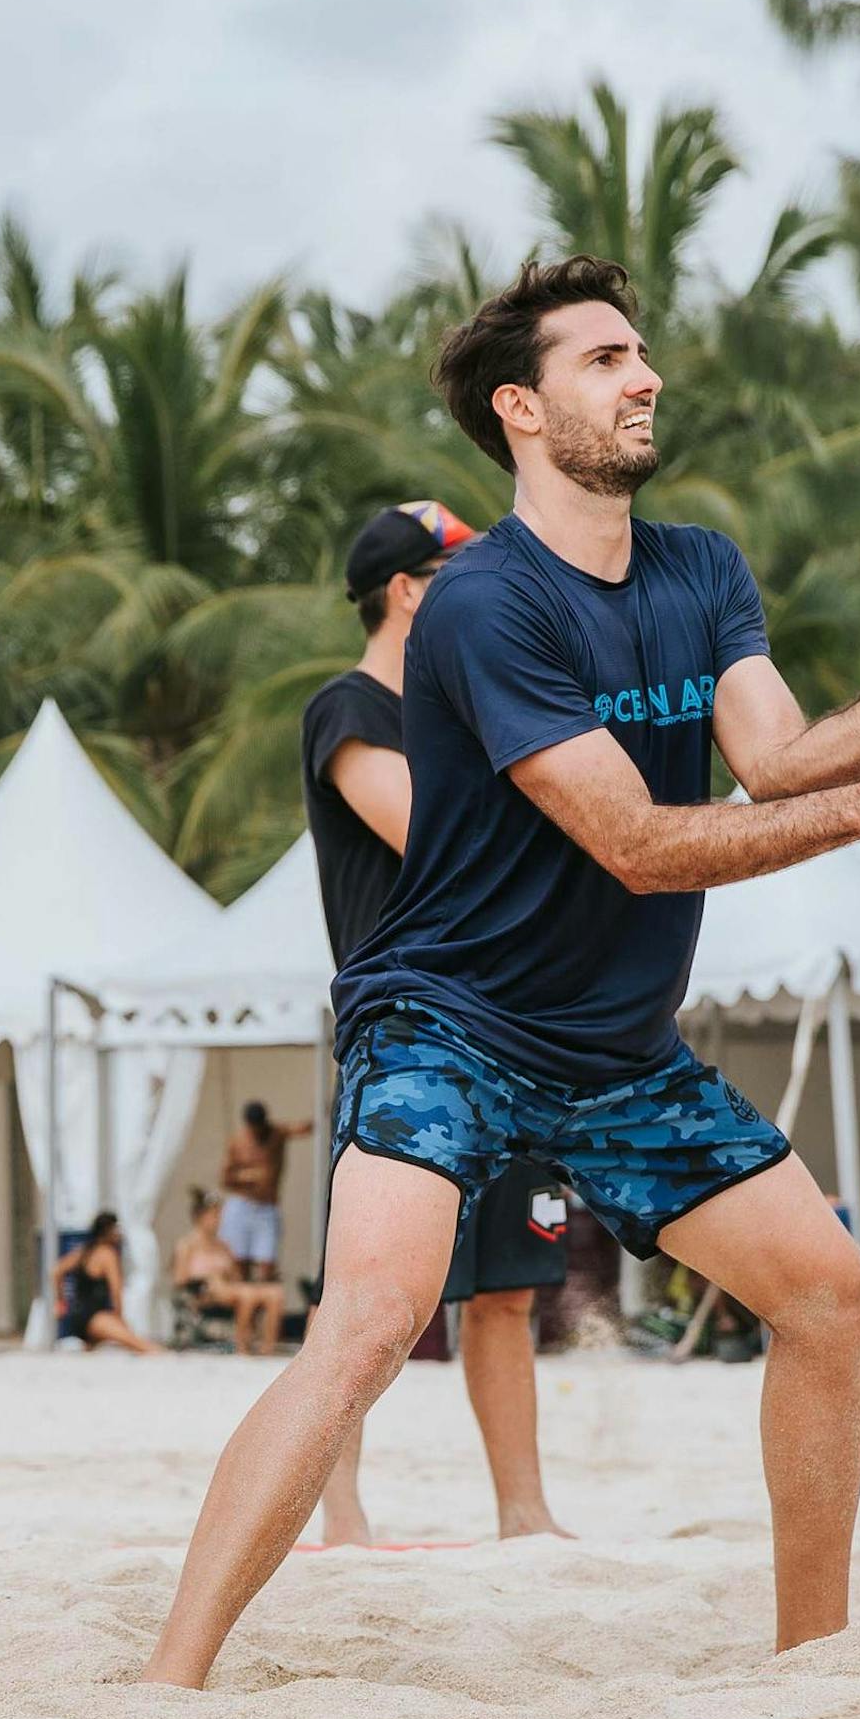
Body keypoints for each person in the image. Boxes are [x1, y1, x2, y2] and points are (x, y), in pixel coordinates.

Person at [139, 255, 860, 1686]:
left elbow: (775, 757)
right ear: (523, 408)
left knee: (839, 1302)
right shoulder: (484, 607)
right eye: (606, 359)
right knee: (367, 1326)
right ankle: (167, 1685)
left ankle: (814, 1665)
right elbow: (640, 845)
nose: (646, 373)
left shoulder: (700, 567)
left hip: (617, 1051)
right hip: (447, 1024)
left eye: (642, 351)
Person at [301, 498, 574, 1545]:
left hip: (517, 1031)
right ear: (410, 590)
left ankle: (526, 1513)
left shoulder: (475, 711)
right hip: (410, 1034)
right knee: (368, 1302)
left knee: (508, 1291)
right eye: (458, 571)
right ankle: (342, 1521)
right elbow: (432, 833)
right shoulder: (350, 708)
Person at [170, 1188, 284, 1354]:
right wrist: (207, 1278)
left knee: (275, 1293)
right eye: (214, 1215)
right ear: (200, 1217)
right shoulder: (187, 1246)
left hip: (228, 1287)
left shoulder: (223, 1246)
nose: (218, 1220)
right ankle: (241, 1346)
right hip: (204, 1292)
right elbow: (179, 1280)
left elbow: (236, 1276)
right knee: (246, 1295)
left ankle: (267, 1347)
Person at [216, 1100, 309, 1280]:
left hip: (267, 1207)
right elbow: (225, 1179)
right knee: (240, 1262)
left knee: (267, 1262)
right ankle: (247, 1304)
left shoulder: (276, 1134)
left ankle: (265, 1301)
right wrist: (247, 1176)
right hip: (242, 1204)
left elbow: (302, 1128)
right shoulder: (237, 1142)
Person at [52, 1212, 158, 1355]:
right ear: (108, 1230)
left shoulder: (84, 1251)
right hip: (95, 1317)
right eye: (116, 1229)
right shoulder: (108, 1254)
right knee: (138, 1343)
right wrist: (119, 1318)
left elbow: (57, 1271)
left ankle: (88, 1345)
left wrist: (61, 1301)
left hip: (76, 1317)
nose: (119, 1233)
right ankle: (164, 1353)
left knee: (116, 1346)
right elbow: (116, 1291)